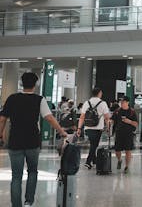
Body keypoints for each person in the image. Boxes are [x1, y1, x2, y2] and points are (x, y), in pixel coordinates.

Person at [0, 72, 67, 207]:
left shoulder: (12, 98)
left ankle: (16, 205)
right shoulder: (39, 99)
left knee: (16, 176)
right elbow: (49, 117)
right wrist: (61, 131)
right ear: (35, 84)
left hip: (15, 141)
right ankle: (28, 202)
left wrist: (0, 135)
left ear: (21, 83)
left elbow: (2, 119)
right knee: (32, 171)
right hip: (32, 141)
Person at [77, 87, 111, 170]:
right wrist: (108, 127)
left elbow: (82, 117)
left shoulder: (86, 103)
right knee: (94, 145)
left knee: (93, 144)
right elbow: (107, 117)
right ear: (99, 93)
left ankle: (95, 161)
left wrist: (79, 128)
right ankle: (88, 162)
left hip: (87, 127)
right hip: (97, 128)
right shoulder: (103, 103)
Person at [111, 96, 138, 174]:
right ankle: (119, 160)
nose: (121, 104)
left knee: (128, 150)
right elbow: (112, 120)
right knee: (117, 150)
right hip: (119, 133)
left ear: (127, 102)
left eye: (123, 102)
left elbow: (136, 124)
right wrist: (110, 123)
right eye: (121, 102)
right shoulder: (117, 111)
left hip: (129, 133)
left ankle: (127, 166)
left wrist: (129, 121)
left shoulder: (132, 112)